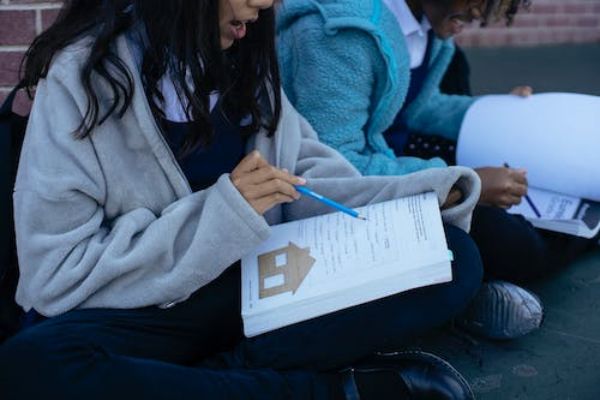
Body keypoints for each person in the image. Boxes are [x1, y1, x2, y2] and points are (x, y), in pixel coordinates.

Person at [0, 1, 486, 399]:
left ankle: (207, 381)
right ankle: (323, 390)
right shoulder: (85, 77)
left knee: (452, 254)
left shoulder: (245, 58)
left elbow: (308, 180)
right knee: (31, 364)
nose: (264, 4)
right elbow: (56, 274)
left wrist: (419, 196)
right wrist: (222, 212)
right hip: (148, 313)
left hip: (258, 291)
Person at [276, 0, 598, 339]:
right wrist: (463, 184)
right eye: (481, 1)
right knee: (507, 242)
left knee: (521, 191)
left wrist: (498, 112)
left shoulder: (430, 23)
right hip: (339, 195)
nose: (480, 15)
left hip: (390, 160)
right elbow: (335, 167)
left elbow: (419, 108)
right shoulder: (340, 34)